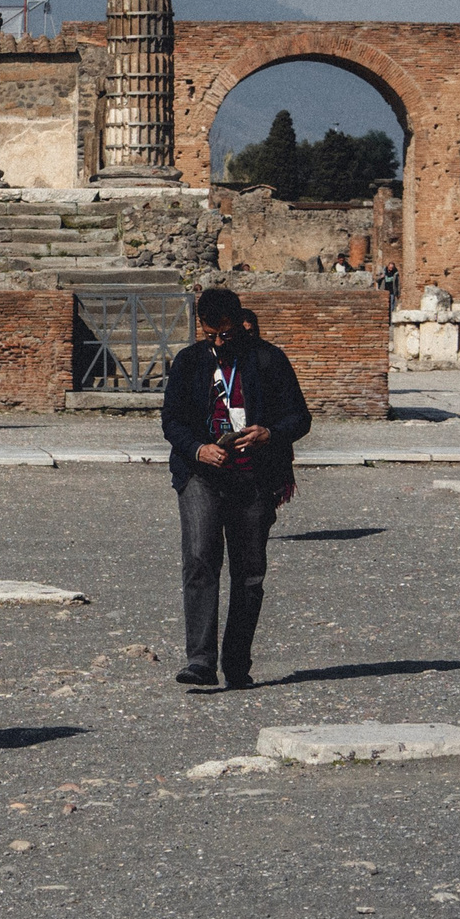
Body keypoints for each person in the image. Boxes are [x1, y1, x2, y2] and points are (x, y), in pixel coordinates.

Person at [160, 286, 311, 690]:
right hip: (201, 475)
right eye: (209, 335)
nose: (218, 342)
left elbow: (300, 417)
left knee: (249, 574)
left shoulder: (268, 359)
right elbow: (171, 422)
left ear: (239, 323)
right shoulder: (189, 363)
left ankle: (237, 661)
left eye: (224, 334)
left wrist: (270, 433)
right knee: (199, 561)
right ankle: (200, 661)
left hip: (254, 477)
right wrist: (197, 448)